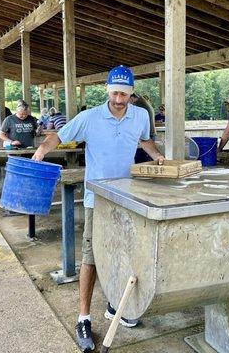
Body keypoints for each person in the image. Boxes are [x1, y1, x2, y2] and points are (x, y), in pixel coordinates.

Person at [32, 65, 165, 353]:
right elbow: (60, 135)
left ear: (132, 95)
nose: (119, 100)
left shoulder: (140, 115)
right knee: (91, 258)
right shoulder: (90, 118)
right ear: (107, 91)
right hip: (97, 200)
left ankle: (115, 304)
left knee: (124, 253)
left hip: (128, 199)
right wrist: (42, 150)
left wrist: (157, 156)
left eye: (125, 95)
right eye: (116, 93)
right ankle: (83, 317)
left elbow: (144, 139)